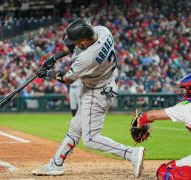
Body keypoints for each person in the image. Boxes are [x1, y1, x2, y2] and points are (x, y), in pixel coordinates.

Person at [33, 19, 145, 177]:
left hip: (97, 92)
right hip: (106, 82)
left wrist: (48, 74)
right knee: (75, 127)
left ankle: (131, 153)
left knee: (90, 139)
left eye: (77, 42)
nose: (74, 44)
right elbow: (73, 45)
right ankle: (56, 163)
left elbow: (67, 79)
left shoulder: (87, 58)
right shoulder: (103, 32)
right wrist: (55, 57)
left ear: (84, 40)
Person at [134, 71, 191, 179]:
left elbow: (151, 116)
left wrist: (139, 121)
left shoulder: (187, 107)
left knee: (165, 172)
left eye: (187, 89)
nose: (185, 92)